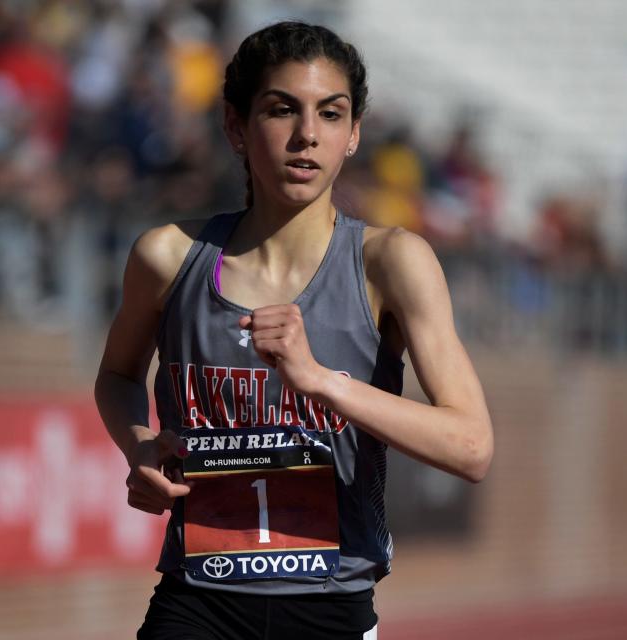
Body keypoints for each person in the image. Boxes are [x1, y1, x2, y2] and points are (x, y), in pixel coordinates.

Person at [94, 21, 493, 640]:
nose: (307, 134)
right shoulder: (169, 257)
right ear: (235, 126)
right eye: (282, 110)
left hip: (330, 605)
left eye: (331, 114)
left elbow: (471, 446)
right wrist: (139, 443)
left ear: (354, 133)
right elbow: (118, 375)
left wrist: (322, 383)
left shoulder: (390, 262)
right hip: (199, 598)